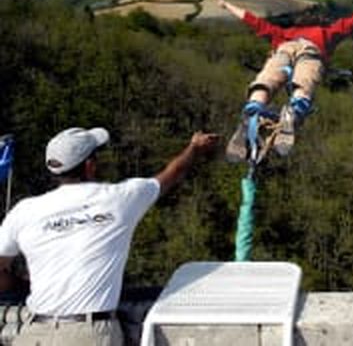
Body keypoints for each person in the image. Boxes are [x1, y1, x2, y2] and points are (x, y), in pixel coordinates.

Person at [0, 126, 220, 346]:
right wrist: (194, 147)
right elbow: (172, 174)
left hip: (33, 332)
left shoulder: (24, 211)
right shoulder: (119, 199)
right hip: (89, 334)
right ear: (89, 166)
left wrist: (24, 286)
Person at [210, 0, 353, 156]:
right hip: (311, 52)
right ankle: (294, 111)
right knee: (303, 83)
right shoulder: (327, 32)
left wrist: (225, 5)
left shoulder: (282, 32)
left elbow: (252, 20)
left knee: (267, 80)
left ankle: (252, 109)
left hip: (284, 48)